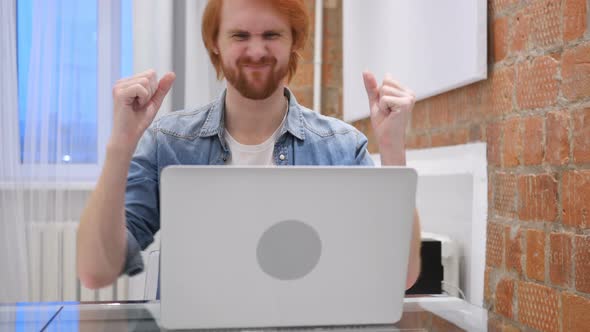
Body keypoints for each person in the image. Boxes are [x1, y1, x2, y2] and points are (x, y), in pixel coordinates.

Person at [77, 0, 421, 291]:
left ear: (294, 42)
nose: (256, 51)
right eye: (240, 35)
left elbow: (400, 276)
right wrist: (120, 144)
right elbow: (97, 272)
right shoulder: (168, 143)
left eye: (271, 35)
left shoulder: (342, 147)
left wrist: (393, 148)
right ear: (215, 43)